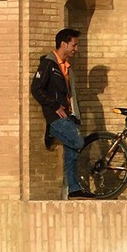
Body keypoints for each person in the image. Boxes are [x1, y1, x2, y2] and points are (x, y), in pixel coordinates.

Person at [30, 28, 85, 196]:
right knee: (79, 142)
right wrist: (54, 105)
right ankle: (52, 131)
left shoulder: (67, 68)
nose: (76, 49)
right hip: (56, 116)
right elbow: (36, 88)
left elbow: (70, 93)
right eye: (74, 45)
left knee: (71, 154)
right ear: (63, 44)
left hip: (68, 115)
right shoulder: (48, 64)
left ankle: (74, 189)